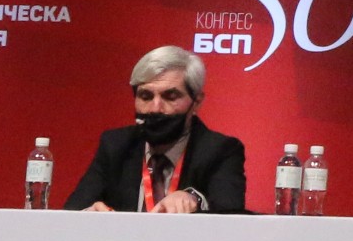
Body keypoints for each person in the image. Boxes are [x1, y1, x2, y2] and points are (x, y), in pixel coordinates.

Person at [65, 45, 247, 214]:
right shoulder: (116, 145)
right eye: (146, 96)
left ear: (196, 102)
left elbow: (230, 215)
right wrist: (88, 213)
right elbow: (72, 211)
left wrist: (195, 199)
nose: (155, 108)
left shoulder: (220, 150)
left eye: (170, 96)